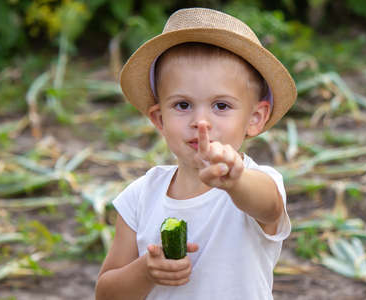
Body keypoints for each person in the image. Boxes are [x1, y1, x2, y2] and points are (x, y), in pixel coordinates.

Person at [95, 7, 297, 300]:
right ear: (159, 119)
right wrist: (145, 271)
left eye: (221, 106)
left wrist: (235, 181)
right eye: (183, 105)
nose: (200, 122)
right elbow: (106, 294)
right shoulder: (139, 198)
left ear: (255, 118)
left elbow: (270, 209)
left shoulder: (258, 183)